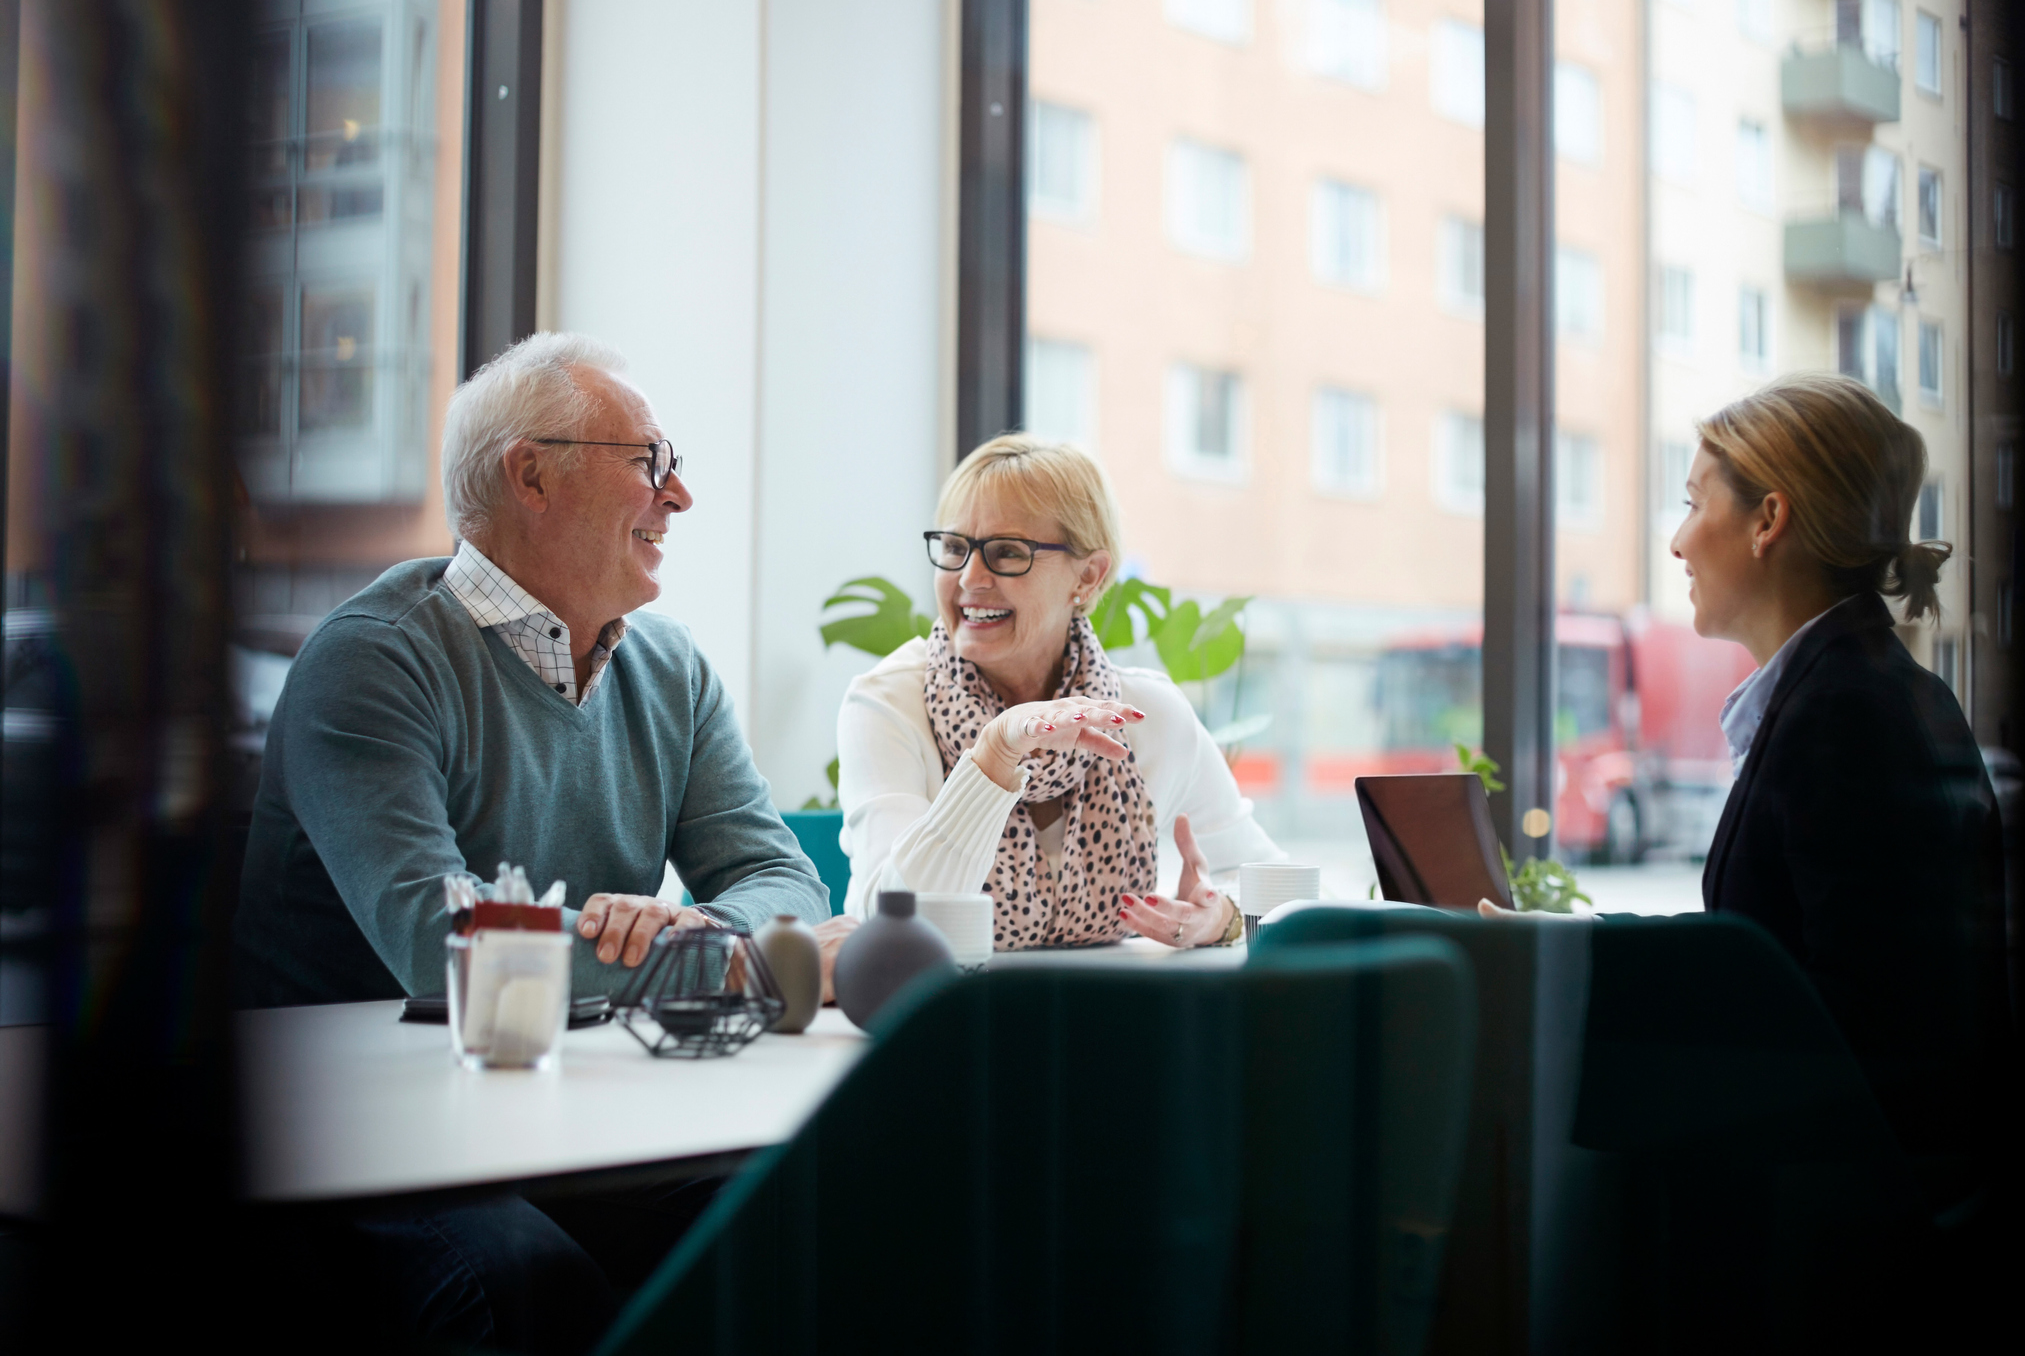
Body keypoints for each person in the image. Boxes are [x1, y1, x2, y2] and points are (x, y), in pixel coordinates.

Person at [232, 333, 830, 1353]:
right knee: (520, 1286)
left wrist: (701, 930)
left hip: (567, 1115)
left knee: (804, 1218)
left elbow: (785, 882)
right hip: (362, 1140)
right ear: (531, 475)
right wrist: (706, 956)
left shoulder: (670, 667)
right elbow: (445, 945)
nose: (678, 496)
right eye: (649, 461)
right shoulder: (372, 662)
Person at [1667, 371, 2002, 1185]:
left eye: (1692, 502)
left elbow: (1858, 1018)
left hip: (1844, 1218)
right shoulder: (1856, 687)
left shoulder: (1842, 710)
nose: (1676, 541)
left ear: (1767, 520)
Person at [835, 434, 1278, 951]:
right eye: (955, 548)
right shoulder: (888, 702)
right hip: (940, 1018)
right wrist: (995, 756)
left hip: (1108, 1017)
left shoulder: (1146, 715)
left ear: (1088, 577)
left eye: (1006, 553)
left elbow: (1283, 887)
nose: (969, 579)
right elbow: (893, 923)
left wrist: (1221, 916)